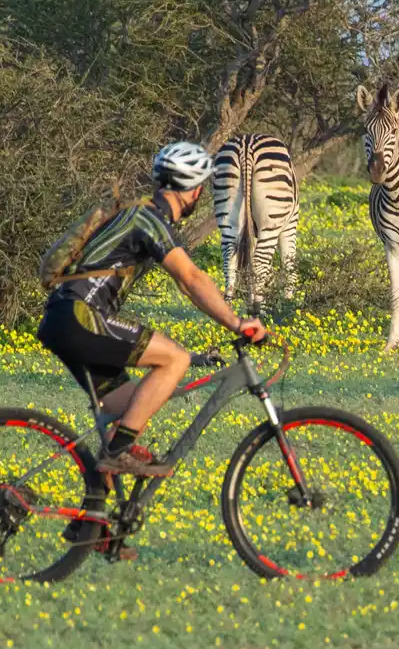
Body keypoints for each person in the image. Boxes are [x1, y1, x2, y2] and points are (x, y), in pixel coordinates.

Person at [37, 141, 266, 479]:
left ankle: (94, 521)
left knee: (133, 408)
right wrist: (236, 322)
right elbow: (190, 278)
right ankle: (117, 454)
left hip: (62, 318)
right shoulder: (149, 219)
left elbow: (186, 283)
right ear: (194, 190)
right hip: (80, 317)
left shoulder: (139, 212)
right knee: (175, 359)